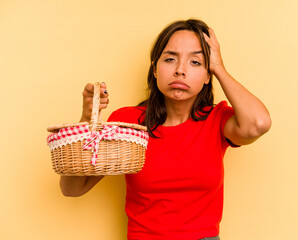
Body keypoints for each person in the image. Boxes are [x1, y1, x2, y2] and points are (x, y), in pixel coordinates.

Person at [60, 19, 271, 240]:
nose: (180, 70)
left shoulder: (216, 119)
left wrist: (219, 67)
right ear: (154, 69)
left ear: (208, 75)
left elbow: (259, 123)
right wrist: (86, 120)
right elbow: (73, 188)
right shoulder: (128, 123)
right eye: (170, 59)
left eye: (196, 62)